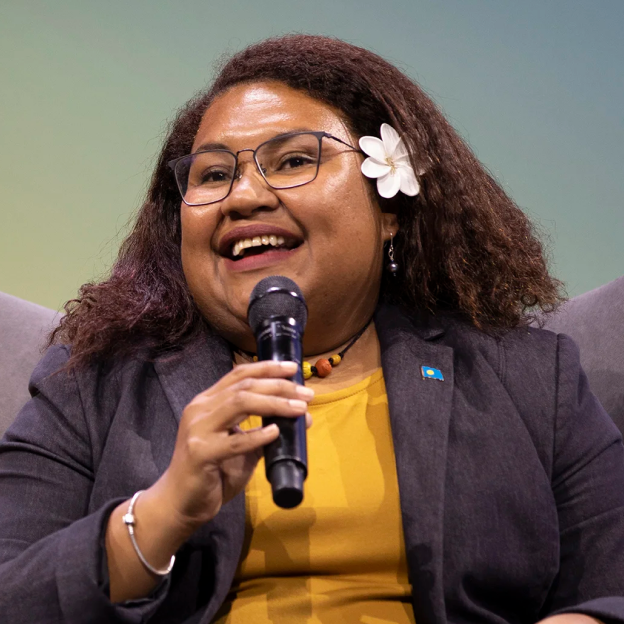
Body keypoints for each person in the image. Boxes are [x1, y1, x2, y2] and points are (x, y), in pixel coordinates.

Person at [1, 35, 623, 624]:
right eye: (213, 175)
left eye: (294, 159)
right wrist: (157, 516)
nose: (242, 196)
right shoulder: (93, 383)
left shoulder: (530, 379)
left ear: (391, 210)